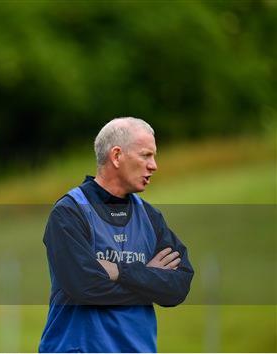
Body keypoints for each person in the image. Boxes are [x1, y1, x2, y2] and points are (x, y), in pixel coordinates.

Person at [39, 117, 194, 352]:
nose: (154, 165)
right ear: (117, 156)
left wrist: (117, 271)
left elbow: (178, 287)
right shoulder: (69, 212)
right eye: (146, 155)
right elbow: (85, 288)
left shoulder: (150, 217)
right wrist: (149, 278)